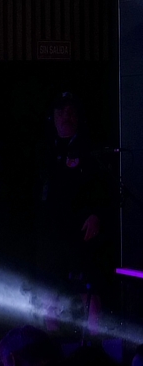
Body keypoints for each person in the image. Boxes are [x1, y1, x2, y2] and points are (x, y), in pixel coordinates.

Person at [34, 92, 114, 336]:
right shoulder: (46, 149)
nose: (65, 116)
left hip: (80, 230)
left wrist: (96, 215)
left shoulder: (90, 150)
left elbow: (104, 189)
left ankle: (93, 342)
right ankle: (51, 341)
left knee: (87, 289)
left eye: (70, 111)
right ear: (53, 117)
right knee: (51, 288)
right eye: (61, 112)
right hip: (52, 232)